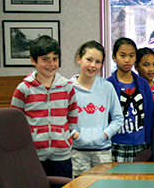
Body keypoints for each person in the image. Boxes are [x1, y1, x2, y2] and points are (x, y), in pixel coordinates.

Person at [10, 35, 78, 178]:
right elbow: (15, 122)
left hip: (62, 155)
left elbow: (72, 116)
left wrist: (65, 138)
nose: (51, 64)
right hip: (34, 155)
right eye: (45, 59)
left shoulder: (67, 87)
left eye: (55, 59)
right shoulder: (24, 89)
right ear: (33, 61)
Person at [69, 41, 122, 177]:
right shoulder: (68, 88)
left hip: (102, 151)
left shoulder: (107, 87)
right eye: (89, 60)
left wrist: (104, 135)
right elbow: (62, 119)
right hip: (78, 152)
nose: (93, 65)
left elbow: (118, 118)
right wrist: (76, 135)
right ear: (79, 59)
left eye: (98, 62)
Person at [106, 38, 154, 162]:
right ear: (114, 57)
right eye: (122, 55)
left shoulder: (142, 84)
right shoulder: (109, 85)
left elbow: (149, 114)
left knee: (140, 179)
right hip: (116, 144)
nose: (127, 60)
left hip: (140, 144)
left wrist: (148, 141)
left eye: (131, 56)